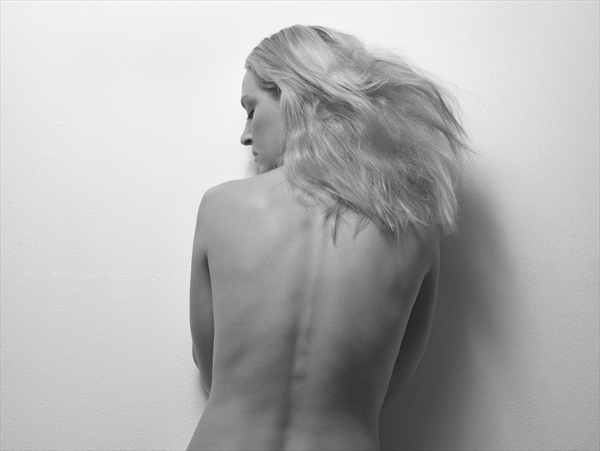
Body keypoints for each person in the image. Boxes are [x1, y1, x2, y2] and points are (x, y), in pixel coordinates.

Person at [188, 25, 468, 451]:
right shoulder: (413, 225)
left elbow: (212, 374)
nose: (245, 135)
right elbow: (389, 390)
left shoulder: (221, 205)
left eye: (251, 109)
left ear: (293, 97)